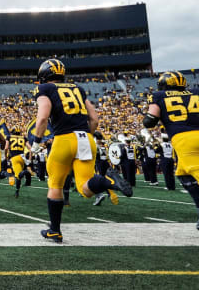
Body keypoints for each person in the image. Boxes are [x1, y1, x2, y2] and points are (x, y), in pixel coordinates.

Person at [32, 59, 132, 243]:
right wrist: (86, 137)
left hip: (63, 139)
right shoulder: (77, 88)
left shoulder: (44, 88)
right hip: (85, 137)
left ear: (44, 75)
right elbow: (94, 118)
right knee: (85, 188)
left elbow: (43, 117)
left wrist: (36, 142)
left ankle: (55, 230)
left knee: (55, 184)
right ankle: (107, 180)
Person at [143, 71, 199, 229]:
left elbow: (150, 121)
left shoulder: (159, 95)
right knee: (183, 174)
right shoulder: (196, 92)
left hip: (184, 139)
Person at [6, 127, 30, 198]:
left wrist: (6, 156)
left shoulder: (9, 137)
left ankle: (17, 192)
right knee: (19, 174)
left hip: (14, 157)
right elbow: (30, 148)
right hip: (22, 157)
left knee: (18, 176)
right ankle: (26, 174)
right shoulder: (23, 137)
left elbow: (6, 148)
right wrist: (30, 158)